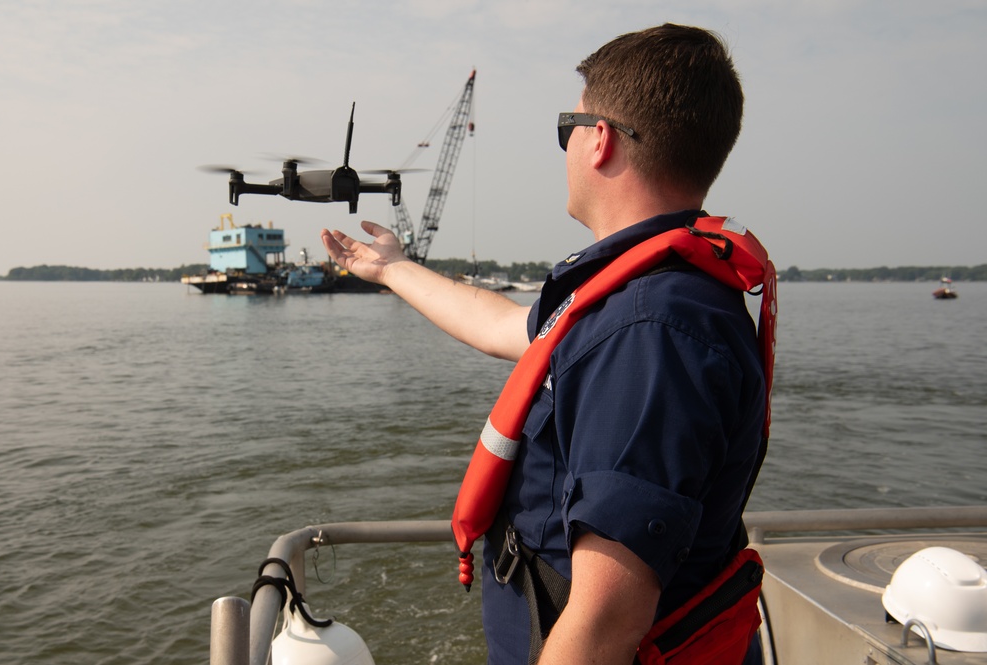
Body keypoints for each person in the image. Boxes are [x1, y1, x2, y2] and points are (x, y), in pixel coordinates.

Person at [322, 23, 770, 665]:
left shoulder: (651, 331)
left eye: (569, 126)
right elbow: (504, 324)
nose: (565, 145)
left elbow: (606, 620)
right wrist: (392, 268)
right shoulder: (631, 296)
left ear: (601, 140)